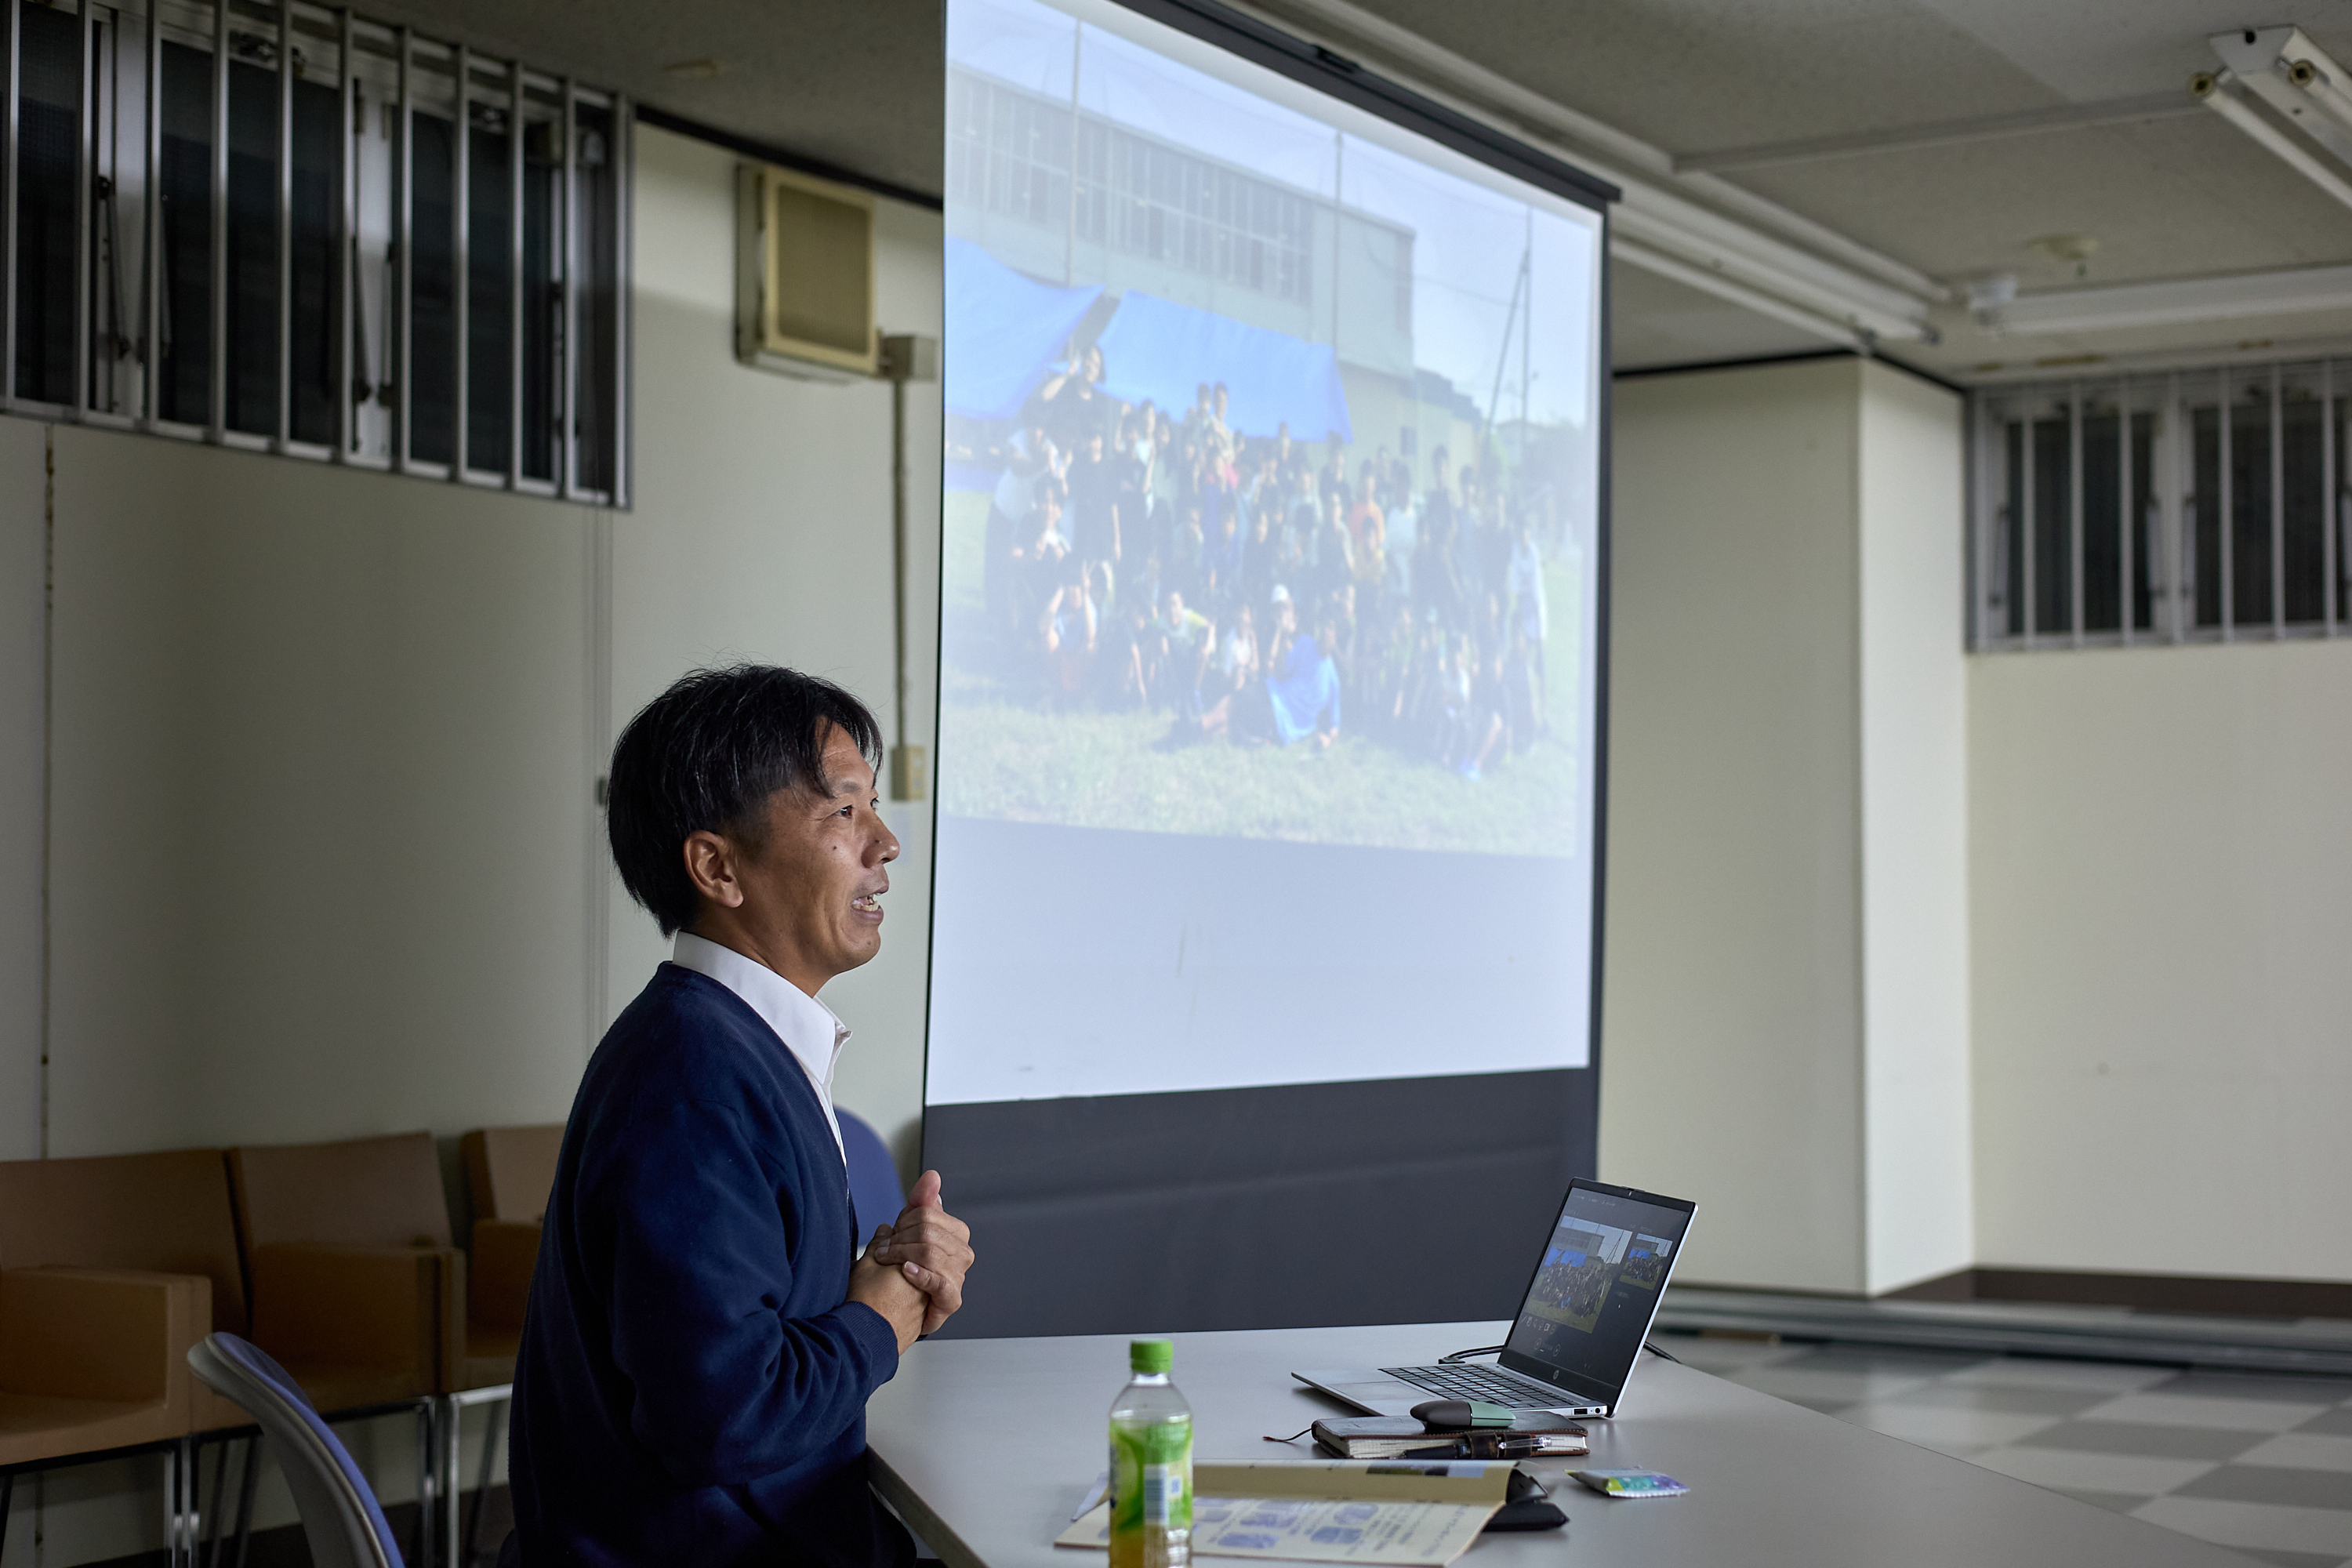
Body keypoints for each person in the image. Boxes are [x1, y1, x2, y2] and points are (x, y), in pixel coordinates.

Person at [506, 666, 975, 1568]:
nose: (885, 842)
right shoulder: (692, 1079)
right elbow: (722, 1420)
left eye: (873, 806)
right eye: (843, 811)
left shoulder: (721, 1045)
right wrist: (876, 1324)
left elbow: (729, 1341)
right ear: (718, 865)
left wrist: (880, 1285)